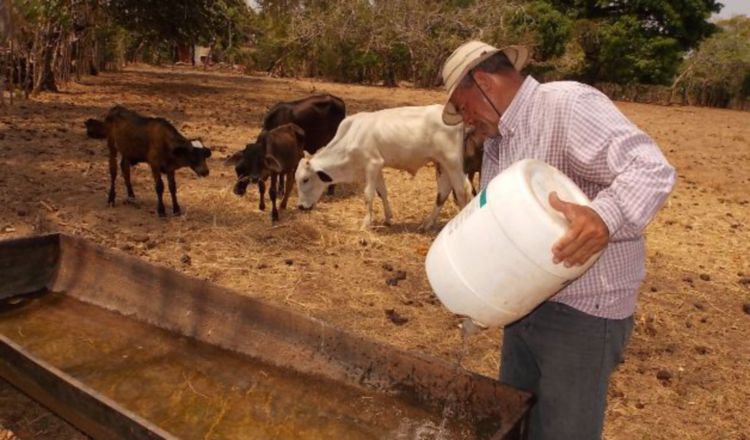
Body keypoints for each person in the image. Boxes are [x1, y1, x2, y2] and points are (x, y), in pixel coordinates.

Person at [440, 40, 676, 440]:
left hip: (583, 312)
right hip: (526, 304)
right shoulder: (499, 140)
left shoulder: (566, 105)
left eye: (463, 107)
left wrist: (604, 215)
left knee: (565, 432)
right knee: (516, 420)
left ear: (484, 82)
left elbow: (651, 169)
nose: (466, 121)